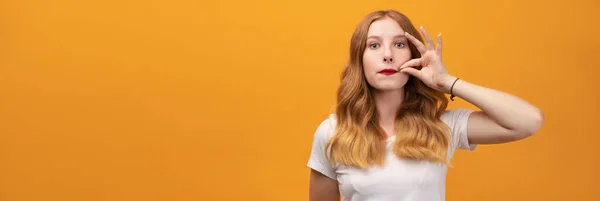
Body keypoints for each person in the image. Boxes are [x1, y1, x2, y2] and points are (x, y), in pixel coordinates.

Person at [306, 9, 544, 201]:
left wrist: (447, 82)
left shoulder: (441, 126)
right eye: (374, 45)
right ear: (360, 59)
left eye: (399, 44)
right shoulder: (331, 133)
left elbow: (529, 121)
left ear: (414, 55)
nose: (388, 55)